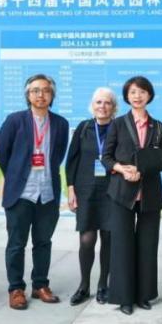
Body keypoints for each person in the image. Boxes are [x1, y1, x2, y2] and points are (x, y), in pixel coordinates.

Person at [0, 74, 69, 310]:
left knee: (43, 242)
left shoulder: (60, 123)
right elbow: (3, 153)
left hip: (47, 192)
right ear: (27, 95)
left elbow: (58, 154)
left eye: (46, 90)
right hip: (21, 193)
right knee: (16, 243)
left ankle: (40, 285)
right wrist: (16, 175)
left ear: (52, 95)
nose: (41, 95)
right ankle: (16, 288)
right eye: (35, 90)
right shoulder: (15, 120)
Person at [102, 77, 162, 315]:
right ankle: (124, 298)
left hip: (150, 193)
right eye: (132, 92)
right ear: (127, 96)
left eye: (142, 92)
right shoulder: (118, 124)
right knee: (122, 245)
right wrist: (121, 169)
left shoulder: (159, 126)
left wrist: (143, 168)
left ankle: (144, 295)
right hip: (122, 193)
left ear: (149, 95)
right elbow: (106, 157)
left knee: (148, 245)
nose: (137, 96)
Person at [65, 88, 117, 305]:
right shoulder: (84, 128)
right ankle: (84, 286)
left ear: (113, 107)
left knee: (108, 238)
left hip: (111, 189)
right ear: (92, 105)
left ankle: (103, 285)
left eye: (107, 103)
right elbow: (71, 160)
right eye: (98, 102)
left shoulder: (119, 128)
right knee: (87, 239)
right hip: (86, 190)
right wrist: (70, 189)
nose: (102, 106)